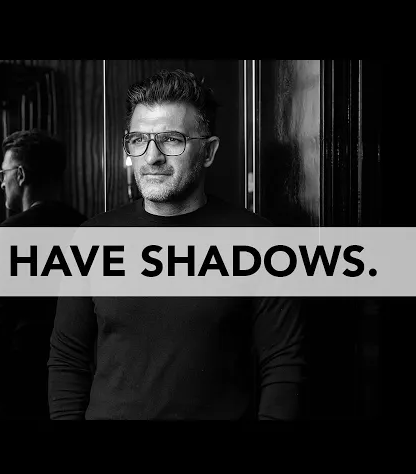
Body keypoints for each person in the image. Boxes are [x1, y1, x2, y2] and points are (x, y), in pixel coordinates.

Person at [47, 70, 306, 420]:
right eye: (138, 140)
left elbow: (283, 363)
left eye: (171, 139)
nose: (151, 157)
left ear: (208, 151)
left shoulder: (258, 241)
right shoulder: (92, 238)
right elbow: (68, 358)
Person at [0, 129, 87, 420]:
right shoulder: (84, 227)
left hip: (19, 382)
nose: (2, 183)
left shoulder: (12, 232)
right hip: (70, 378)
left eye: (4, 173)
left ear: (21, 175)